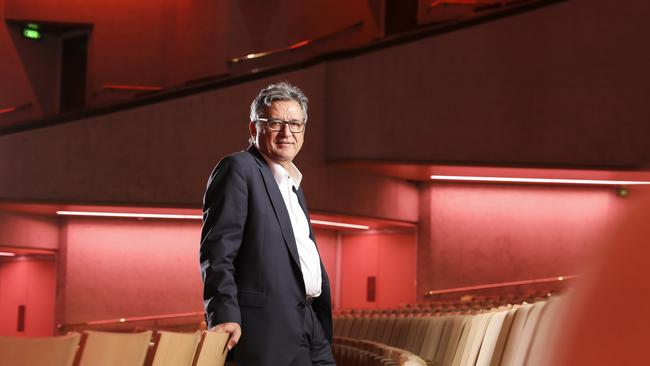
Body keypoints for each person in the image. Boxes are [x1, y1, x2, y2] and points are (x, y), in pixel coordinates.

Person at [200, 82, 335, 365]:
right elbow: (218, 252)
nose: (288, 133)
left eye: (296, 124)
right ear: (254, 129)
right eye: (276, 122)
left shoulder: (293, 184)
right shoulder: (239, 169)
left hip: (310, 324)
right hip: (267, 330)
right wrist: (223, 314)